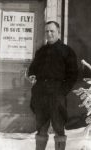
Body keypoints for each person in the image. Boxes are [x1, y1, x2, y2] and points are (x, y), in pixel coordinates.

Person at [28, 21, 78, 150]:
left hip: (57, 95)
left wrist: (62, 91)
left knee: (59, 128)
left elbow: (73, 75)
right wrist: (32, 75)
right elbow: (33, 69)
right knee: (41, 128)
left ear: (58, 32)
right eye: (47, 31)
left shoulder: (67, 51)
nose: (49, 34)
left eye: (52, 31)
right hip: (41, 95)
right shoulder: (40, 52)